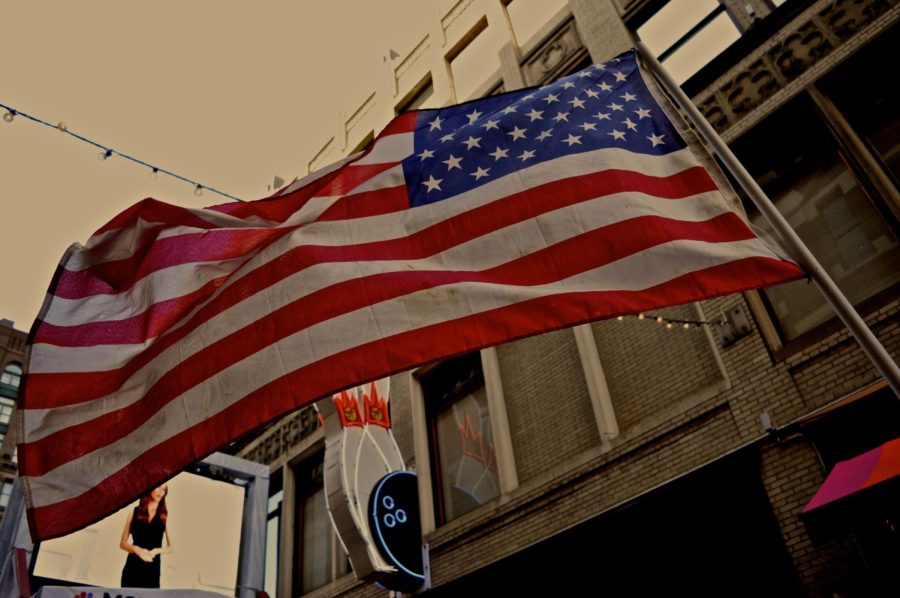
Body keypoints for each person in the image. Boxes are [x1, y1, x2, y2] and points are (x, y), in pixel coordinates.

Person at [119, 484, 173, 588]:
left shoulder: (164, 516)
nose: (161, 492)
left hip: (152, 569)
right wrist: (136, 549)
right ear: (151, 487)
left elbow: (171, 547)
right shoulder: (134, 512)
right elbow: (122, 543)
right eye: (159, 487)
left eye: (164, 489)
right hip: (132, 568)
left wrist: (155, 551)